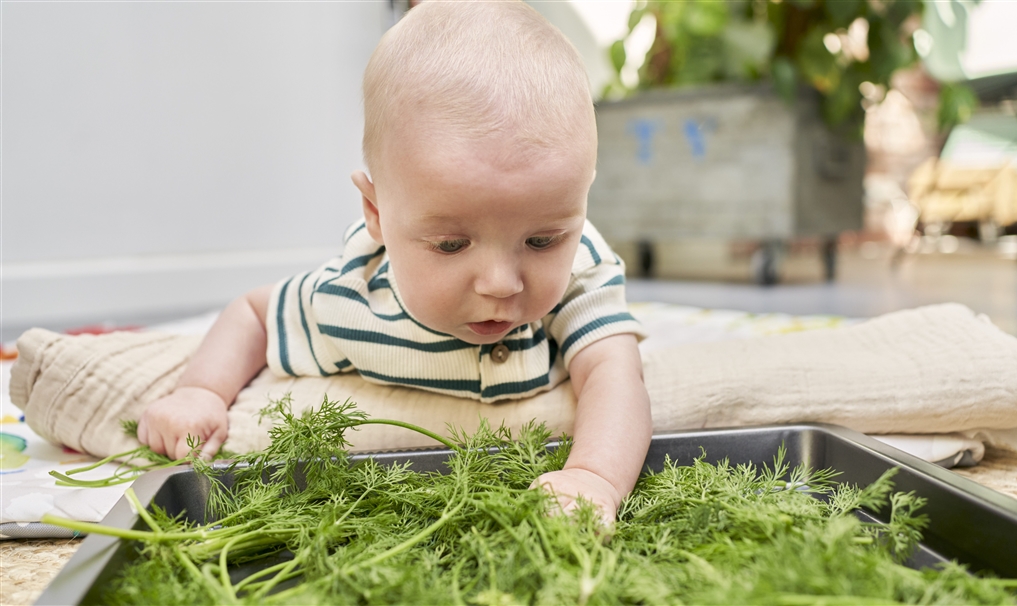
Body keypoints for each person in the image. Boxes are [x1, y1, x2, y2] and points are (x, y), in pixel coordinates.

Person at [136, 0, 651, 524]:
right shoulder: (352, 297)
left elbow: (614, 372)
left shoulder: (581, 271)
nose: (500, 283)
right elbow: (252, 314)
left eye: (542, 241)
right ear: (377, 214)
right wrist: (200, 391)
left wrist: (594, 476)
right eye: (451, 245)